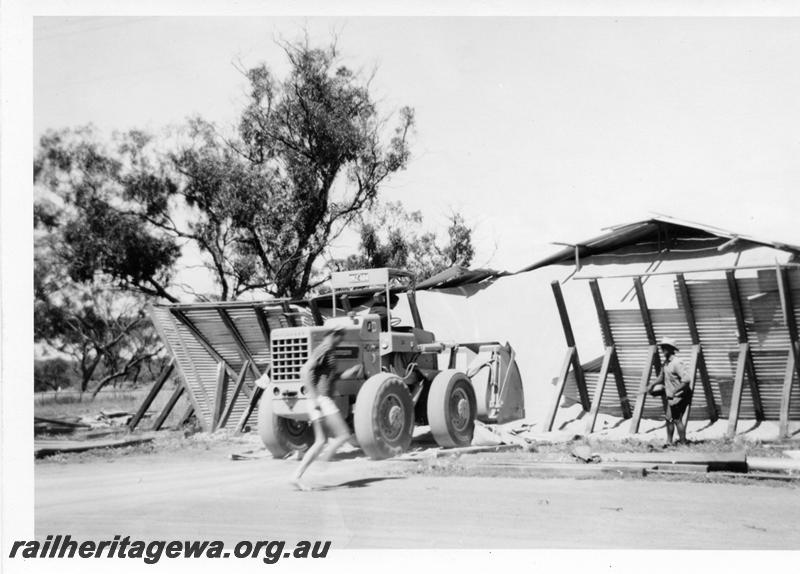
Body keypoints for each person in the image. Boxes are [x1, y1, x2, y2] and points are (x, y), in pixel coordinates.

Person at [290, 324, 361, 491]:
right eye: (341, 336)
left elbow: (330, 377)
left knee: (320, 441)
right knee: (343, 434)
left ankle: (296, 476)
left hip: (318, 398)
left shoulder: (328, 351)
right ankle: (325, 460)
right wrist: (315, 398)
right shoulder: (325, 349)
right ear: (334, 334)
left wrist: (349, 372)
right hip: (321, 398)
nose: (342, 340)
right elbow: (305, 370)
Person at [645, 337, 692, 445]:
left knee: (676, 419)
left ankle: (683, 443)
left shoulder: (677, 362)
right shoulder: (665, 363)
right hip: (672, 396)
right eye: (662, 347)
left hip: (681, 395)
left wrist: (674, 391)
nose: (663, 350)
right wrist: (652, 384)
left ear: (671, 349)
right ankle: (669, 442)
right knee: (668, 418)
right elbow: (661, 377)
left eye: (665, 347)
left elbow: (686, 380)